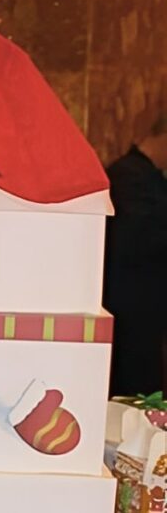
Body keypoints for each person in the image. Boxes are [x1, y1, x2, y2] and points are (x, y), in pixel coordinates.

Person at [105, 114, 167, 396]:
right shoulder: (130, 177)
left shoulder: (144, 178)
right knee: (133, 392)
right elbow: (138, 241)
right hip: (131, 313)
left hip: (142, 313)